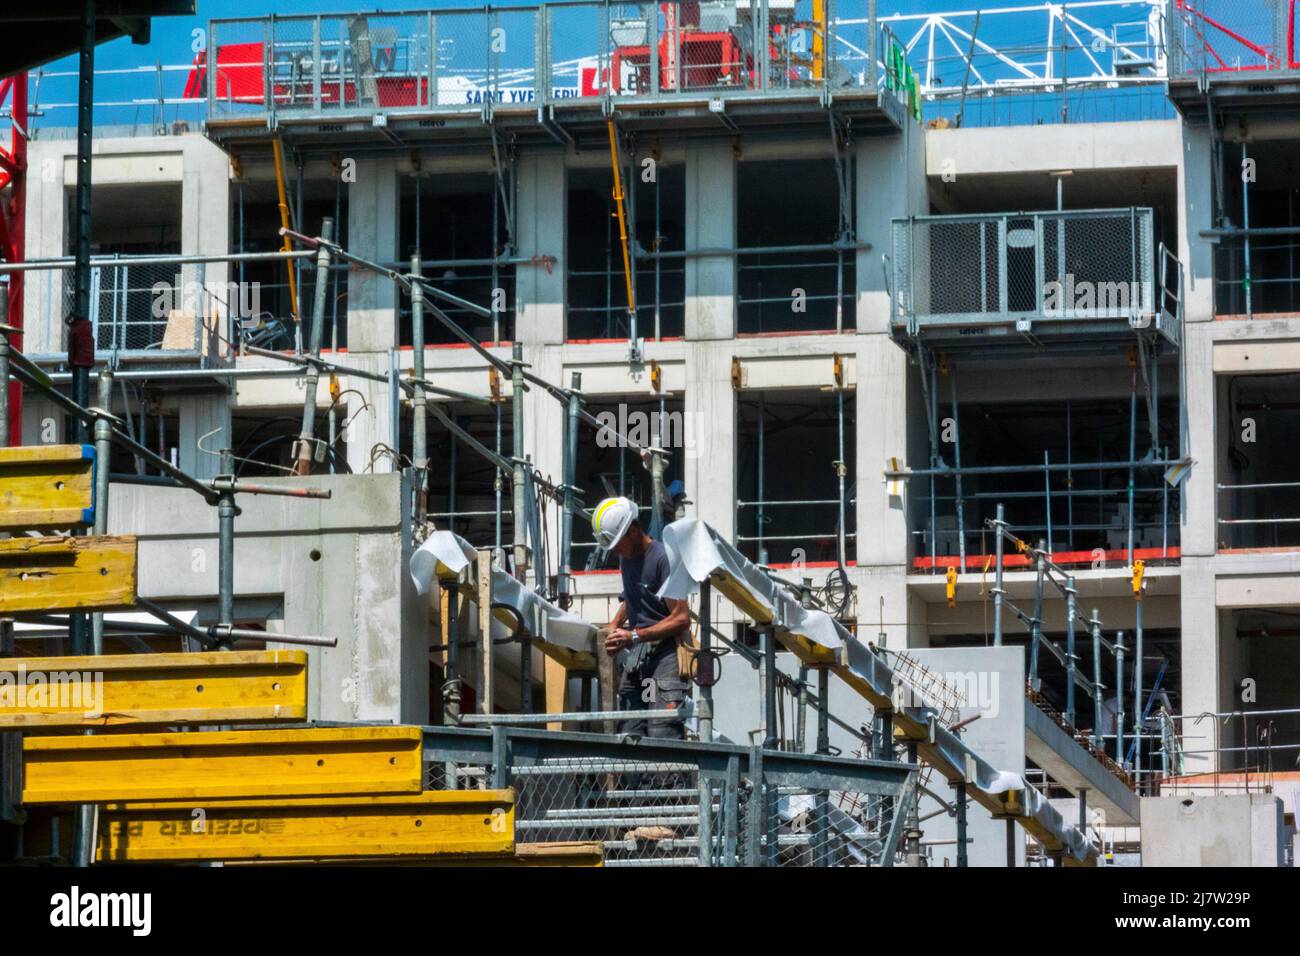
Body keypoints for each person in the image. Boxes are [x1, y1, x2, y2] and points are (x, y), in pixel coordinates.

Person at [592, 496, 691, 740]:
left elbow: (681, 618)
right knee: (629, 732)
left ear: (634, 531)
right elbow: (633, 596)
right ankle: (638, 779)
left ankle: (668, 780)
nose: (615, 551)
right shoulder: (626, 559)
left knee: (662, 733)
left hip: (665, 654)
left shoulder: (663, 558)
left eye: (617, 544)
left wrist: (633, 635)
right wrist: (614, 625)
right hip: (639, 654)